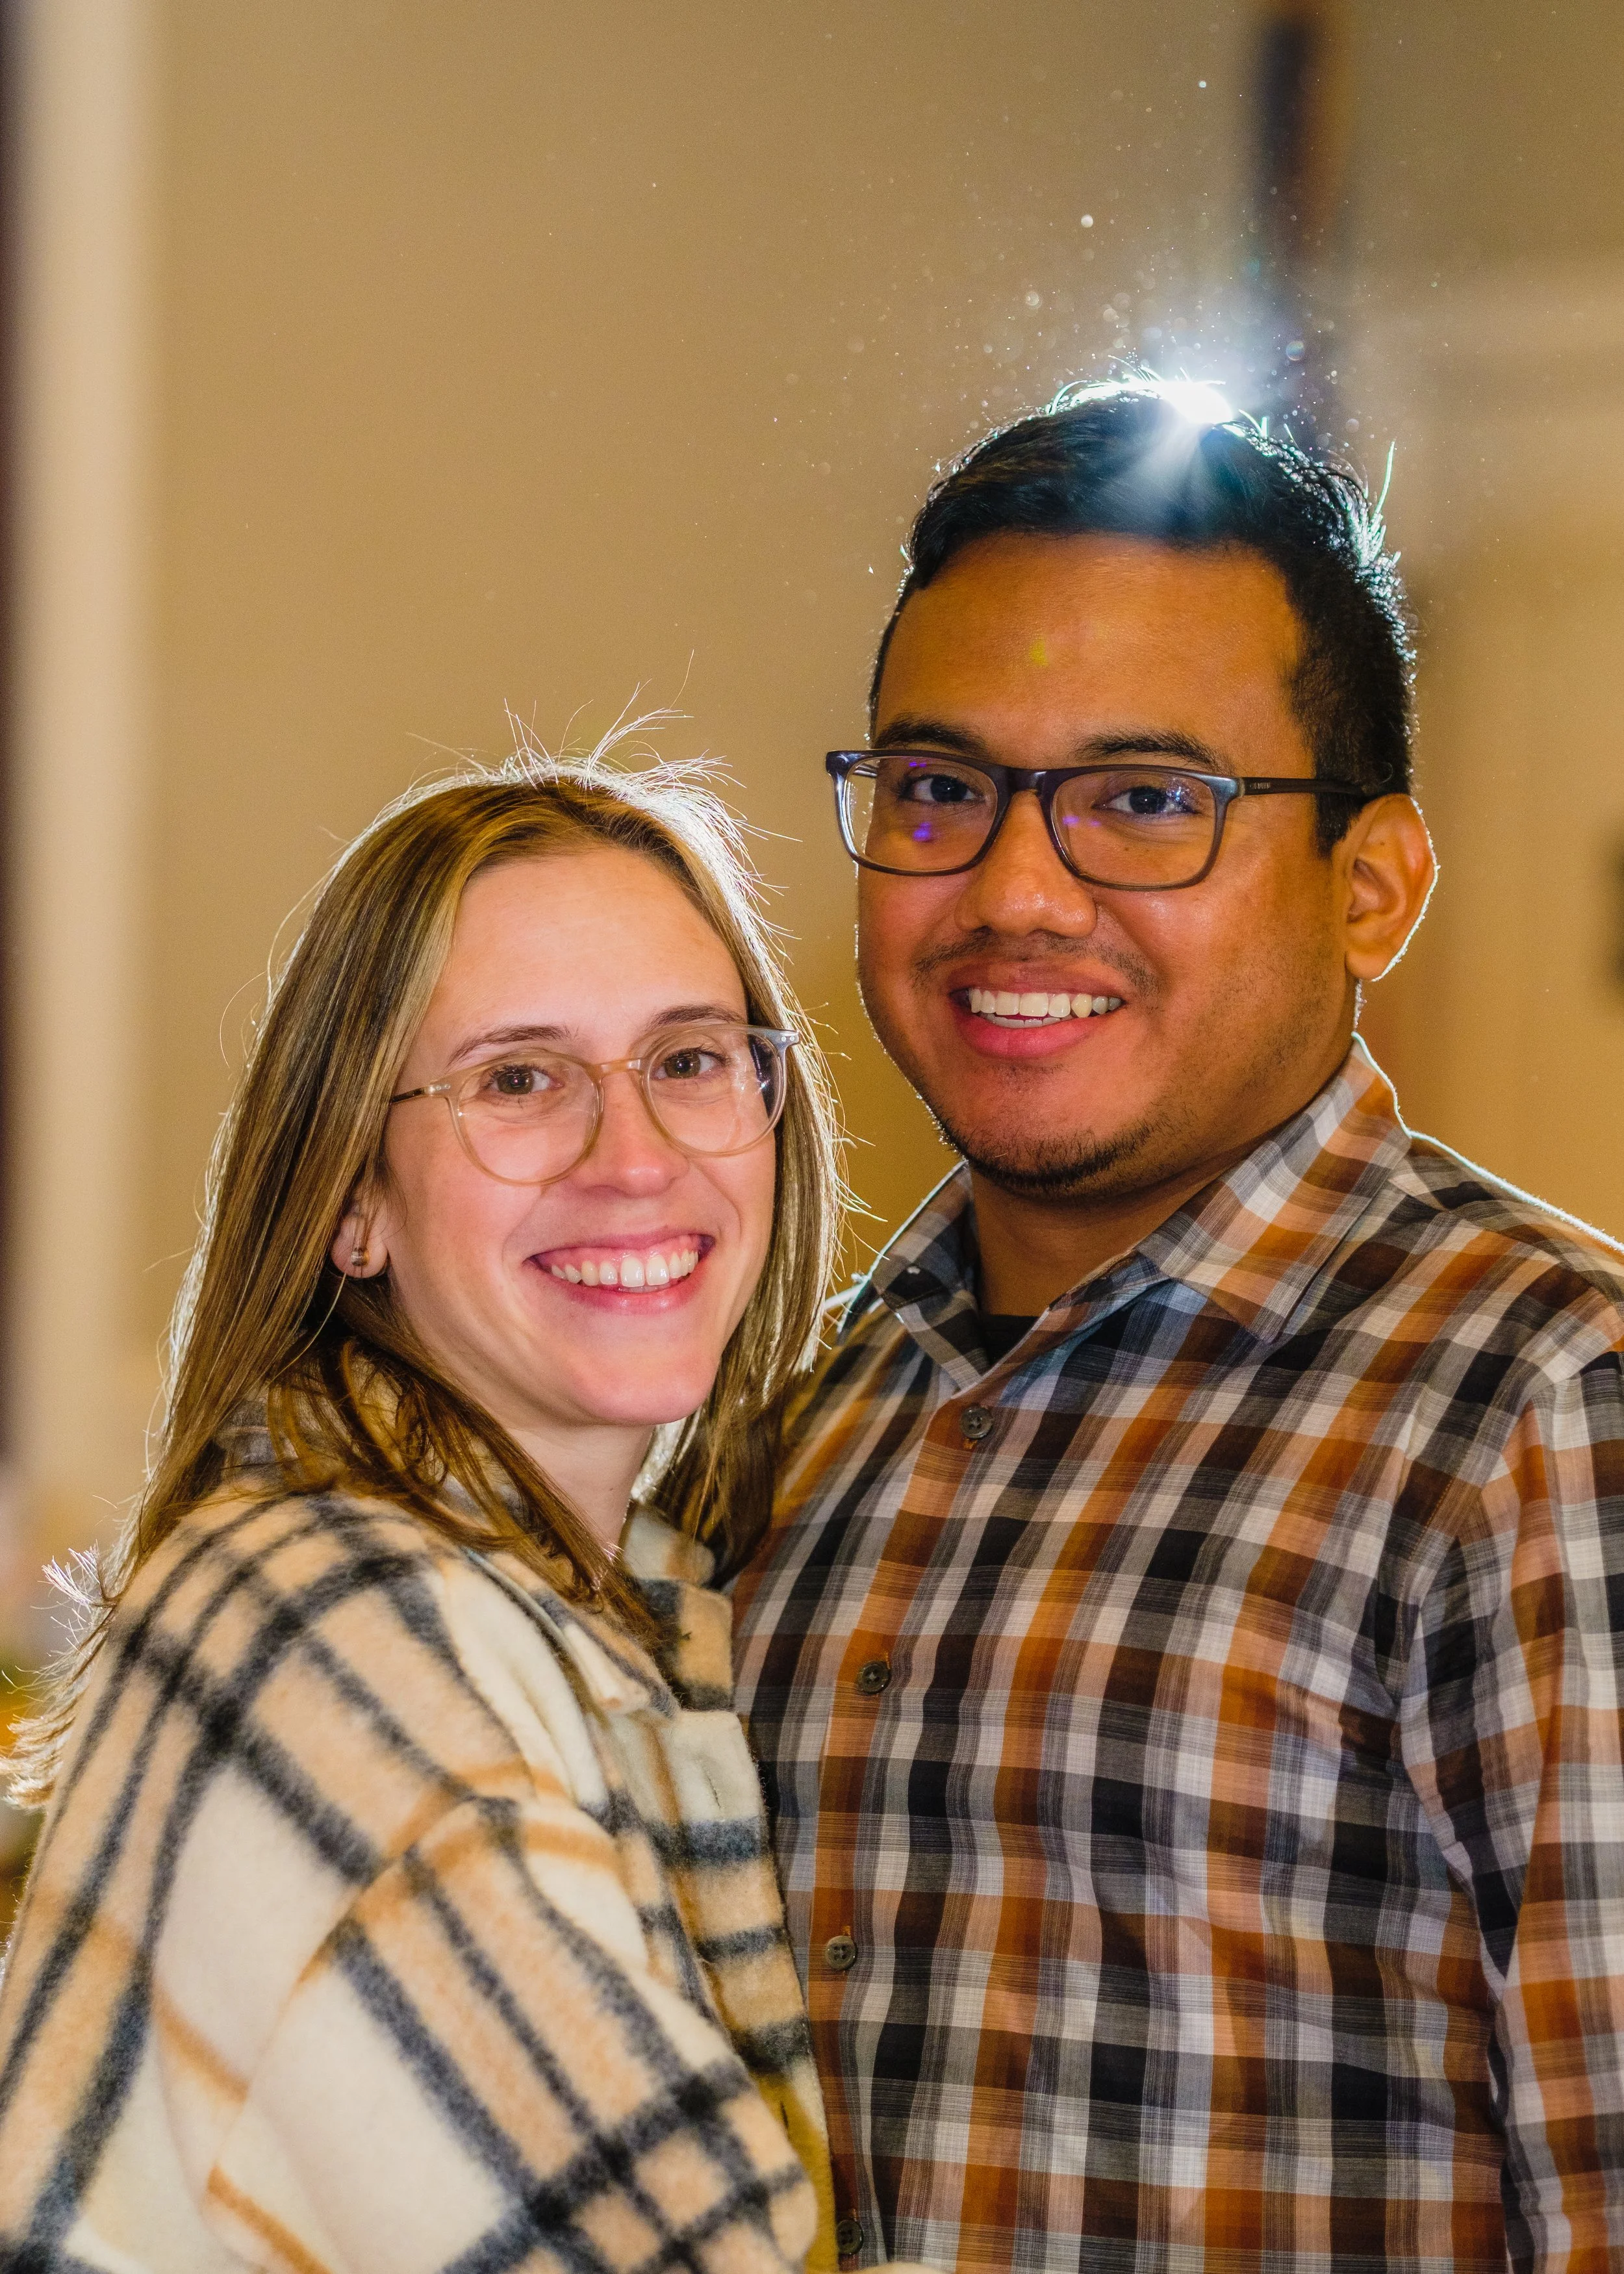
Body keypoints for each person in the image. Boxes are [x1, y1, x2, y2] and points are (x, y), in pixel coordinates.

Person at [733, 383, 1624, 2274]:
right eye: (937, 788)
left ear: (1369, 885)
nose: (1013, 889)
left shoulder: (1541, 1410)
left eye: (1144, 800)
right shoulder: (795, 1409)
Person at [0, 754, 863, 2273]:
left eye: (688, 1058)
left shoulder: (609, 1606)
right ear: (353, 1201)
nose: (636, 1155)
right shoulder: (328, 1623)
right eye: (519, 1078)